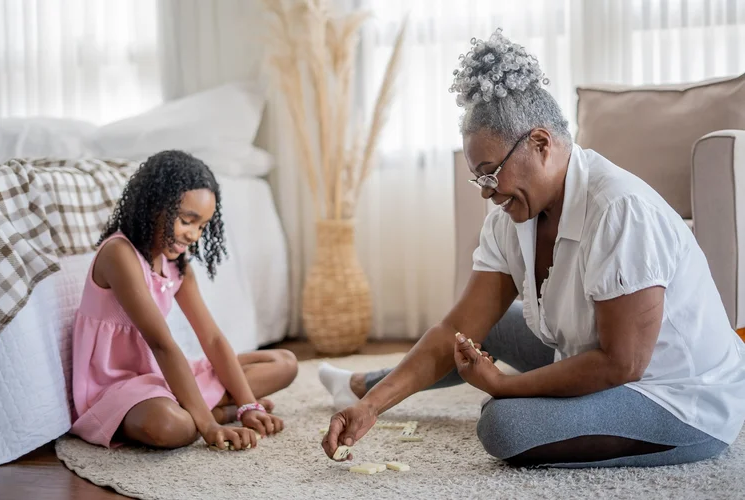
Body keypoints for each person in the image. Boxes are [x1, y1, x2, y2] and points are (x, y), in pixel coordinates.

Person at [319, 29, 745, 467]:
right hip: (598, 359)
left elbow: (622, 365)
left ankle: (679, 431)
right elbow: (453, 332)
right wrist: (372, 406)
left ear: (540, 144)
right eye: (478, 178)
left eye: (491, 173)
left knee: (506, 425)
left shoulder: (620, 209)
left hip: (676, 395)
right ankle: (360, 388)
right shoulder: (511, 217)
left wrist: (503, 386)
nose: (487, 192)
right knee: (489, 327)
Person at [71, 150, 297, 451]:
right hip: (116, 387)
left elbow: (213, 338)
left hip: (162, 377)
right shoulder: (119, 254)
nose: (193, 234)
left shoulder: (176, 265)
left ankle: (202, 406)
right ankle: (210, 412)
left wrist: (248, 406)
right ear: (154, 206)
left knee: (284, 363)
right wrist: (210, 426)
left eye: (202, 226)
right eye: (187, 220)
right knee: (171, 427)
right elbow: (162, 344)